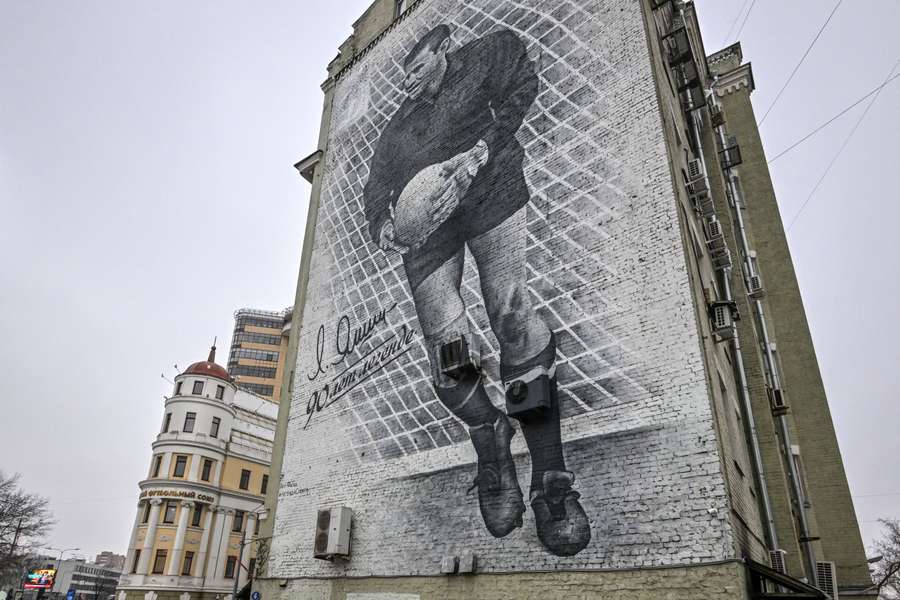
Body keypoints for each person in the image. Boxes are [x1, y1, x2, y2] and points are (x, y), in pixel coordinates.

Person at [362, 24, 590, 556]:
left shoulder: (490, 53)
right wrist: (385, 227)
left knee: (510, 312)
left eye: (417, 68)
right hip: (429, 222)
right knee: (448, 351)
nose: (411, 82)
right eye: (406, 75)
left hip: (487, 185)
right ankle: (489, 434)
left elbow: (522, 88)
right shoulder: (399, 129)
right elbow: (377, 187)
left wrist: (484, 149)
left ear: (443, 50)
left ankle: (550, 479)